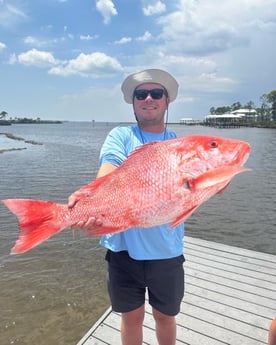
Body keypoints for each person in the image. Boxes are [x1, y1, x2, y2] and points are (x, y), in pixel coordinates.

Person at [68, 69, 185, 345]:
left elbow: (200, 183)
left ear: (167, 101)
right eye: (140, 94)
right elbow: (109, 168)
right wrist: (90, 201)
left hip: (166, 251)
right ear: (132, 102)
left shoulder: (177, 143)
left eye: (156, 93)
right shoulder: (120, 135)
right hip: (123, 250)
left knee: (165, 316)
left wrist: (220, 178)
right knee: (130, 317)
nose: (148, 99)